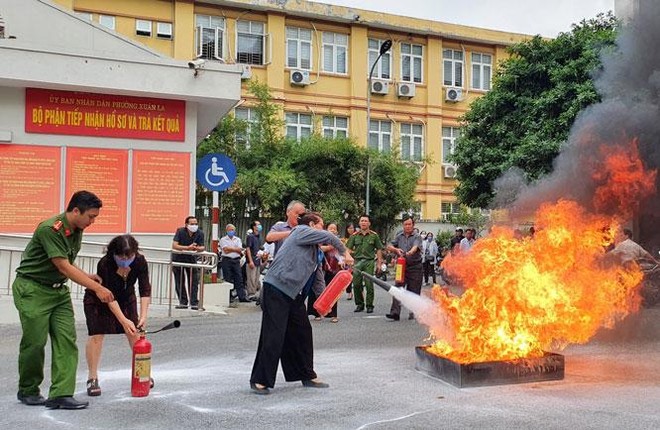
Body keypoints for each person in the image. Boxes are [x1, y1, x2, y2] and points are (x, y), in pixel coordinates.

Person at [13, 190, 113, 410]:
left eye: (95, 217)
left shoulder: (77, 228)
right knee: (35, 342)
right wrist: (97, 288)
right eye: (91, 216)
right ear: (75, 210)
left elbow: (65, 261)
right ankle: (28, 389)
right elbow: (62, 265)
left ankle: (61, 393)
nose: (93, 221)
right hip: (33, 289)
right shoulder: (50, 228)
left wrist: (86, 276)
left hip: (58, 292)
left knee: (66, 339)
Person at [250, 212, 354, 394]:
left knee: (302, 333)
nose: (323, 229)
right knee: (274, 335)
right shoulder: (300, 231)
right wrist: (345, 252)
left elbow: (317, 278)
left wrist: (325, 301)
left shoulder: (313, 249)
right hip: (277, 289)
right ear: (313, 225)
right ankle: (260, 380)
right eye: (321, 225)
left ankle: (306, 374)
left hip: (293, 295)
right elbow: (330, 236)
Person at [84, 234, 151, 397]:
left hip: (126, 298)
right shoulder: (105, 263)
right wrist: (123, 320)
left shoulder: (140, 261)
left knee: (135, 333)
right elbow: (108, 296)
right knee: (97, 336)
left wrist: (143, 316)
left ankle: (142, 374)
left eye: (129, 256)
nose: (126, 259)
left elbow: (144, 289)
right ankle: (92, 378)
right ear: (114, 253)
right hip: (100, 300)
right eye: (121, 256)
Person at [385, 215, 423, 321]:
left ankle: (413, 312)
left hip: (415, 267)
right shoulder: (399, 236)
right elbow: (389, 245)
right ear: (403, 225)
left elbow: (415, 247)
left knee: (414, 290)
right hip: (402, 267)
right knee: (397, 288)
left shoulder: (417, 236)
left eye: (409, 224)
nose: (407, 226)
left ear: (413, 225)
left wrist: (409, 252)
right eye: (405, 224)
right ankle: (395, 313)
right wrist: (395, 250)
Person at [346, 215, 383, 313]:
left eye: (366, 221)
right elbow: (348, 249)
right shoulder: (354, 236)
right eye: (362, 221)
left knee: (369, 283)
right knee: (356, 284)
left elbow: (379, 249)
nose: (363, 222)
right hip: (357, 262)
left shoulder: (374, 235)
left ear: (369, 223)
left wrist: (379, 263)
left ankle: (370, 305)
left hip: (369, 262)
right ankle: (359, 304)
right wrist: (346, 260)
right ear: (359, 223)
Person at [308, 222, 342, 323]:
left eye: (334, 228)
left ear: (337, 231)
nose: (332, 230)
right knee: (318, 289)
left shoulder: (338, 241)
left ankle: (333, 315)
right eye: (330, 228)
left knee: (333, 291)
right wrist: (329, 247)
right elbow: (318, 248)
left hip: (334, 268)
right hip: (321, 267)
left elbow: (343, 252)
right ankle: (317, 313)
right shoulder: (321, 239)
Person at [171, 216, 205, 309]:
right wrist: (187, 248)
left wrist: (196, 248)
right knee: (180, 281)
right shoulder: (180, 231)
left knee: (194, 281)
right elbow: (175, 245)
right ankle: (183, 302)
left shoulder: (200, 233)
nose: (194, 225)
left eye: (196, 224)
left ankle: (194, 303)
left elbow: (202, 247)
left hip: (191, 259)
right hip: (178, 259)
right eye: (192, 224)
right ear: (186, 225)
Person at [220, 223, 249, 303]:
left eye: (233, 230)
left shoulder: (238, 239)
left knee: (239, 278)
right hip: (226, 260)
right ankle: (229, 297)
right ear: (227, 230)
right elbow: (225, 250)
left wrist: (231, 249)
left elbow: (240, 250)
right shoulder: (223, 239)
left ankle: (242, 297)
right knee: (227, 278)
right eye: (230, 230)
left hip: (236, 260)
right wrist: (235, 249)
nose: (231, 231)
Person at [245, 220, 263, 300]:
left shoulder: (259, 237)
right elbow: (248, 248)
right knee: (251, 278)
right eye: (258, 225)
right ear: (254, 227)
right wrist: (250, 261)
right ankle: (251, 294)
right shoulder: (250, 236)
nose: (259, 226)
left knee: (256, 278)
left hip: (258, 260)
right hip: (252, 260)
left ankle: (254, 293)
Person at [342, 223, 356, 300]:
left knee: (357, 277)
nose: (351, 229)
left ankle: (360, 293)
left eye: (352, 228)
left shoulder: (357, 237)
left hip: (356, 259)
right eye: (349, 228)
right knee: (348, 276)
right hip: (348, 260)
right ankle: (349, 292)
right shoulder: (344, 239)